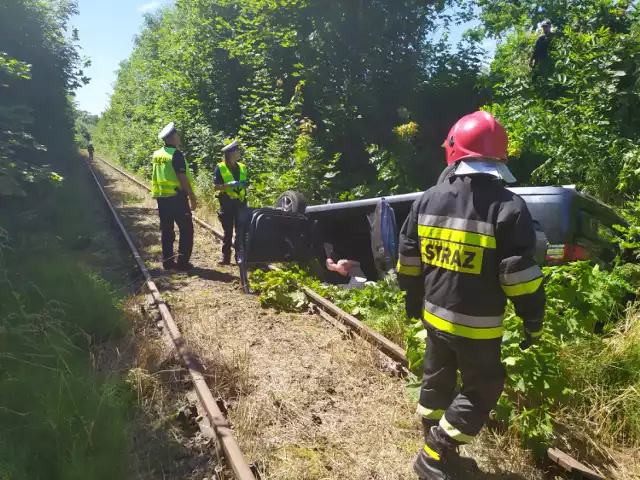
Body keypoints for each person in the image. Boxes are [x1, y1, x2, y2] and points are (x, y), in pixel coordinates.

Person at [396, 111, 546, 479]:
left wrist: (413, 300)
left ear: (455, 152)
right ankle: (435, 454)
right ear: (499, 158)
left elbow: (408, 258)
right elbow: (518, 275)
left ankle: (431, 441)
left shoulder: (428, 199)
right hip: (476, 326)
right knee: (483, 388)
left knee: (437, 379)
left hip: (434, 315)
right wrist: (533, 320)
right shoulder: (508, 207)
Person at [152, 122, 197, 271]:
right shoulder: (175, 155)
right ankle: (182, 263)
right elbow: (181, 176)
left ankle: (168, 262)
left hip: (162, 198)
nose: (179, 137)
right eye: (177, 135)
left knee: (166, 230)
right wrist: (192, 196)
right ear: (172, 138)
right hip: (177, 198)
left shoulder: (158, 154)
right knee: (186, 230)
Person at [213, 139, 248, 265]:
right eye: (236, 151)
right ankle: (225, 257)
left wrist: (244, 185)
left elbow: (246, 183)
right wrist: (228, 185)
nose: (239, 153)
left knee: (241, 231)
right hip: (227, 203)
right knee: (227, 231)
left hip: (241, 203)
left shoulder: (243, 167)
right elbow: (216, 187)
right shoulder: (220, 167)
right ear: (230, 154)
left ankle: (239, 257)